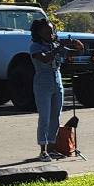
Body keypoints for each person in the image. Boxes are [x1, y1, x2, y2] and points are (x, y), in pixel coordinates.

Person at [30, 17, 73, 158]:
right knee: (44, 118)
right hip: (42, 83)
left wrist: (80, 48)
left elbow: (71, 53)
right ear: (39, 33)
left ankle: (52, 148)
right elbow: (44, 58)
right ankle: (42, 150)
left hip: (57, 82)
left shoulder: (54, 45)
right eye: (47, 32)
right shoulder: (35, 46)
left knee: (55, 117)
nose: (51, 34)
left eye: (52, 31)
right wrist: (59, 47)